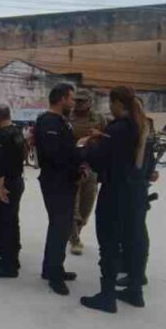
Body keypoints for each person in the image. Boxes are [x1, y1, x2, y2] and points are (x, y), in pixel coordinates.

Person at [77, 86, 145, 313]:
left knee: (108, 244)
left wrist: (88, 146)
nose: (109, 107)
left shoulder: (117, 128)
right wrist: (102, 139)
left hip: (115, 191)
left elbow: (100, 161)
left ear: (117, 103)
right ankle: (135, 291)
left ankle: (107, 296)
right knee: (130, 241)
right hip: (134, 191)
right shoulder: (138, 125)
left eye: (111, 103)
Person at [35, 83, 82, 296]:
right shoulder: (48, 122)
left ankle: (53, 268)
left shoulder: (60, 121)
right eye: (71, 99)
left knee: (60, 228)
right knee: (59, 227)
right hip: (56, 182)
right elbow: (54, 155)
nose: (73, 103)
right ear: (62, 98)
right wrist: (80, 153)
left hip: (64, 181)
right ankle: (53, 274)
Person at [119, 112, 159, 306]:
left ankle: (135, 285)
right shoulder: (145, 135)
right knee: (135, 234)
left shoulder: (141, 137)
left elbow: (137, 167)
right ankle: (135, 275)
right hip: (139, 188)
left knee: (136, 235)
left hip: (134, 190)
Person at [0, 105, 26, 278]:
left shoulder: (1, 136)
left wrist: (0, 187)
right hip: (16, 179)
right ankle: (10, 257)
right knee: (10, 221)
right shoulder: (16, 131)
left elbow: (0, 164)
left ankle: (9, 266)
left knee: (7, 224)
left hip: (6, 183)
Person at [68, 89, 106, 255]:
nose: (79, 104)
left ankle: (78, 230)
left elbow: (107, 138)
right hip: (73, 164)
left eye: (83, 101)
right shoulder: (68, 117)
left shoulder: (99, 118)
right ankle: (74, 238)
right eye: (77, 101)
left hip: (92, 165)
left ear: (90, 102)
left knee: (87, 204)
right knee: (73, 204)